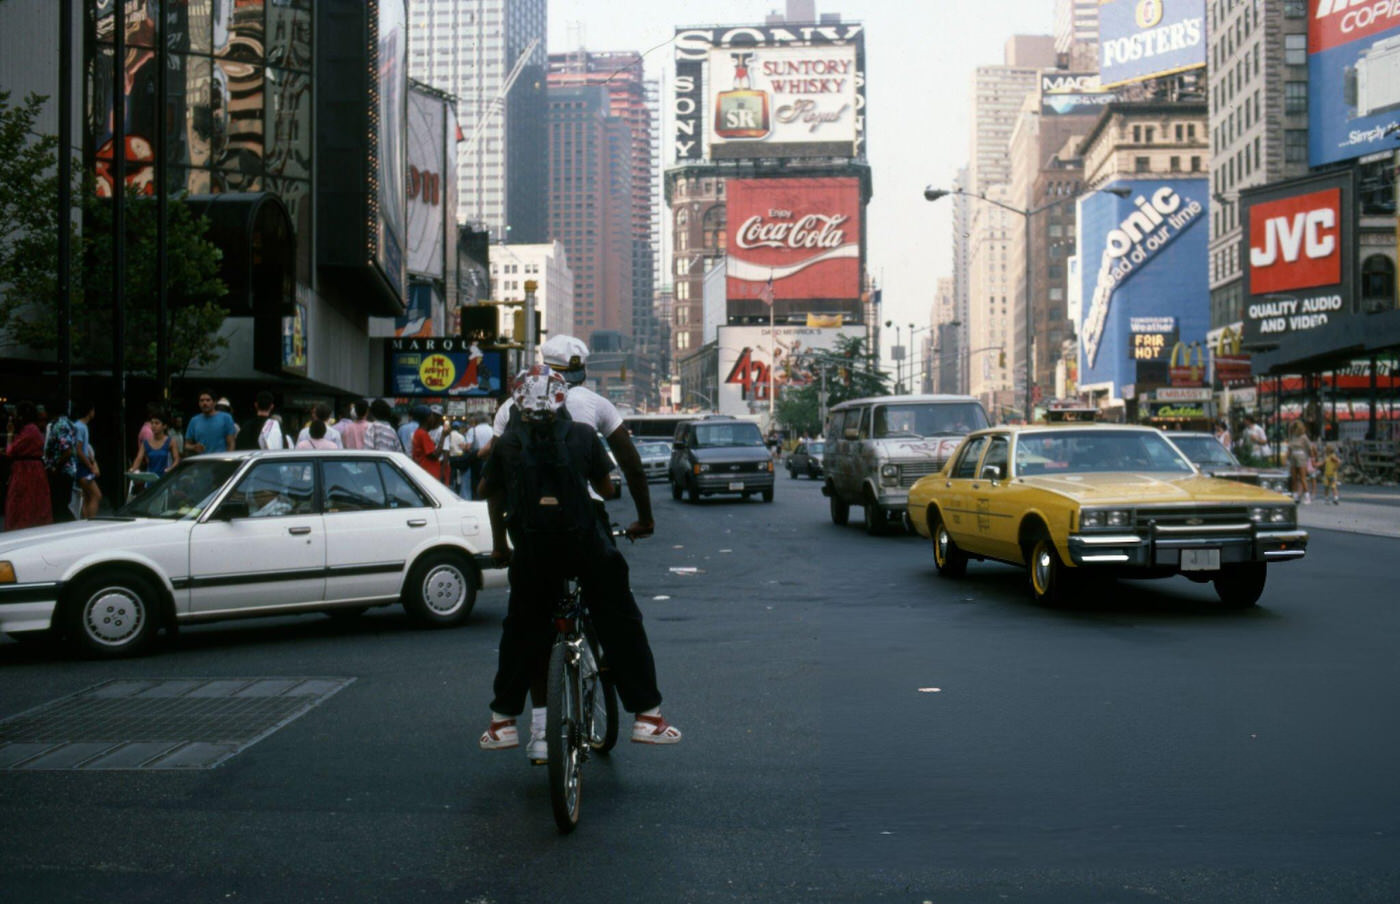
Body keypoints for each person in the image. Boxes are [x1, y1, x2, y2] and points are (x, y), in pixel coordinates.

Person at [478, 366, 678, 761]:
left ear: (517, 402)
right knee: (620, 619)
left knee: (522, 627)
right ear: (561, 398)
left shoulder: (506, 445)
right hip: (585, 546)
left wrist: (502, 546)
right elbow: (606, 487)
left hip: (532, 551)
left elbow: (489, 492)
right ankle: (647, 716)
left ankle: (502, 722)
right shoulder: (584, 436)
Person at [4, 401, 53, 531]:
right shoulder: (33, 429)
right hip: (34, 469)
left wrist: (9, 434)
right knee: (34, 502)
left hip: (25, 471)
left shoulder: (28, 430)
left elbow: (10, 451)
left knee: (22, 502)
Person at [43, 404, 79, 523]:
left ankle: (72, 527)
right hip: (66, 471)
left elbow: (67, 450)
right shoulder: (68, 423)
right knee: (61, 505)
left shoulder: (60, 425)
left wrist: (55, 467)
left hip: (61, 472)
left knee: (60, 507)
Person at [130, 409, 179, 483]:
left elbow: (176, 459)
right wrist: (132, 470)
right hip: (150, 479)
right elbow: (138, 458)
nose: (153, 426)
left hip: (165, 480)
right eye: (152, 423)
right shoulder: (146, 443)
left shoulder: (171, 442)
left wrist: (171, 469)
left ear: (164, 426)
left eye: (157, 423)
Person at [72, 399, 102, 519]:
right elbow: (79, 450)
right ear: (90, 411)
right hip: (82, 466)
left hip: (81, 465)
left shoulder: (80, 426)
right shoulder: (81, 427)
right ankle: (91, 520)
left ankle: (85, 520)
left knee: (87, 496)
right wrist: (90, 466)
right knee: (96, 495)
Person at [185, 390, 238, 456]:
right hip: (201, 461)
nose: (204, 403)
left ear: (214, 402)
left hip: (220, 460)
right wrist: (194, 447)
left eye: (208, 400)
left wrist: (227, 461)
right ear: (199, 403)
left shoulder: (226, 418)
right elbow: (187, 445)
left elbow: (231, 444)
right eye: (202, 400)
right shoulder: (194, 420)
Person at [1286, 420, 1314, 503]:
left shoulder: (1304, 437)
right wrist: (1287, 458)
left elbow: (1310, 448)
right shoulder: (1292, 436)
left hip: (1301, 456)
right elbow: (1289, 448)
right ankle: (1295, 495)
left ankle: (1307, 496)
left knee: (1302, 478)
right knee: (1294, 478)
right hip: (1293, 456)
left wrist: (1311, 459)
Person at [412, 408, 444, 480]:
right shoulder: (423, 434)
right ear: (428, 419)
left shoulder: (419, 432)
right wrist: (443, 436)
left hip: (425, 472)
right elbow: (435, 456)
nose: (434, 419)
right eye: (432, 416)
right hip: (429, 474)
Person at [466, 414, 494, 500]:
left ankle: (476, 501)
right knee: (487, 483)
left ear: (477, 421)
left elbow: (468, 447)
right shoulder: (492, 429)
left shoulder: (473, 430)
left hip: (476, 460)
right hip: (490, 459)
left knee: (475, 484)